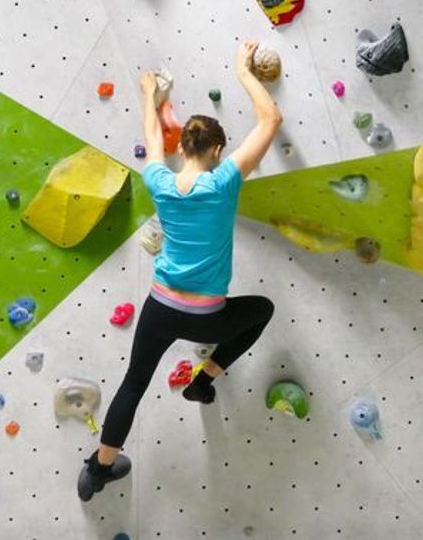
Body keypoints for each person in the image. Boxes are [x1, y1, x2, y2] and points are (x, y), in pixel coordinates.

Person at [78, 41, 282, 501]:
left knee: (134, 381)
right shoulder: (224, 181)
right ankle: (203, 382)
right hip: (207, 316)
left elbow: (152, 137)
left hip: (160, 306)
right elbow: (271, 121)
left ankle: (99, 468)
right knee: (262, 310)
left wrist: (147, 93)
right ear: (216, 149)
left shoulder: (160, 180)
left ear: (183, 147)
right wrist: (243, 71)